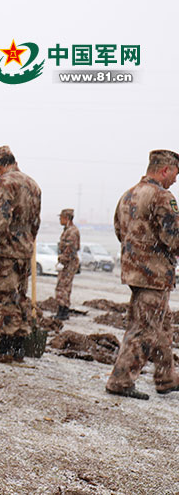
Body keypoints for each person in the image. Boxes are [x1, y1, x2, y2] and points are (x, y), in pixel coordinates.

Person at [105, 149, 179, 400]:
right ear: (165, 170)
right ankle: (121, 380)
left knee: (162, 326)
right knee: (145, 329)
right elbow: (174, 238)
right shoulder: (162, 196)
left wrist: (136, 256)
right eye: (175, 174)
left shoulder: (128, 195)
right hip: (155, 275)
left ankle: (166, 377)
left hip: (135, 272)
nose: (175, 180)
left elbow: (119, 230)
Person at [0, 145, 41, 363]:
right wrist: (28, 244)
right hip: (25, 251)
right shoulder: (33, 185)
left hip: (8, 251)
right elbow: (35, 223)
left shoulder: (5, 183)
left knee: (4, 296)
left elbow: (3, 218)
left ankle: (4, 347)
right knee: (20, 297)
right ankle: (19, 347)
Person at [54, 208, 79, 320]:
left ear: (67, 218)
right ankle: (62, 310)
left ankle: (63, 312)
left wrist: (63, 261)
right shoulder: (67, 230)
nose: (60, 220)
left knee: (63, 287)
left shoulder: (72, 231)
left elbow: (70, 248)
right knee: (64, 286)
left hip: (68, 263)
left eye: (61, 218)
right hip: (67, 261)